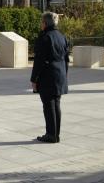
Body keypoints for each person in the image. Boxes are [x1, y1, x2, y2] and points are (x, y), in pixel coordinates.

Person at [31, 12, 69, 143]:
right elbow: (66, 59)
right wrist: (65, 74)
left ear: (45, 23)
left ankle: (51, 134)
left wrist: (34, 79)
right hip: (60, 74)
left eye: (41, 22)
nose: (40, 24)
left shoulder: (45, 37)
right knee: (56, 105)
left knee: (48, 106)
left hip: (48, 75)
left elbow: (39, 60)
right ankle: (55, 133)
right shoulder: (61, 36)